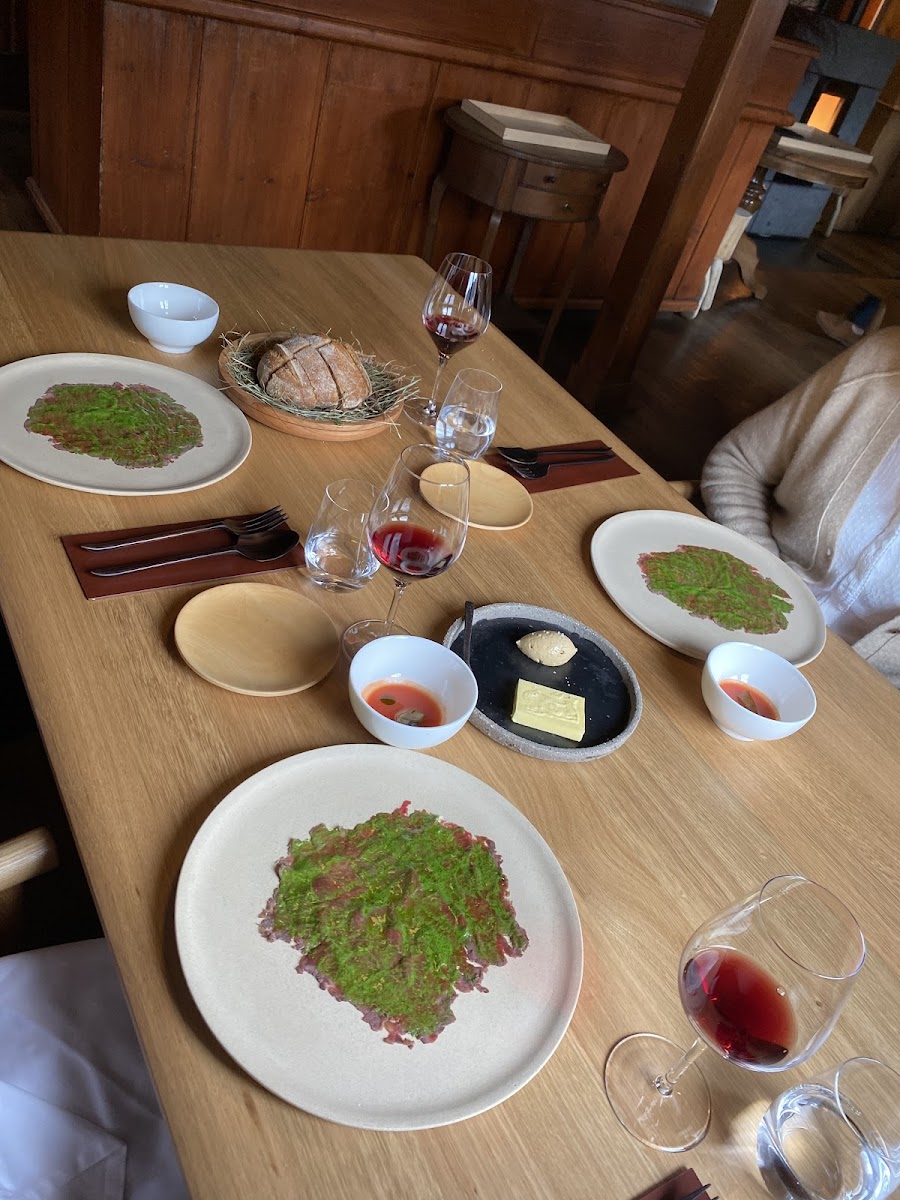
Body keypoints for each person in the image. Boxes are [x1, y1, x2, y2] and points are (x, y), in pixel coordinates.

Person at [701, 328, 900, 687]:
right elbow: (737, 463)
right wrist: (764, 582)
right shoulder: (880, 359)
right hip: (732, 599)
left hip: (860, 696)